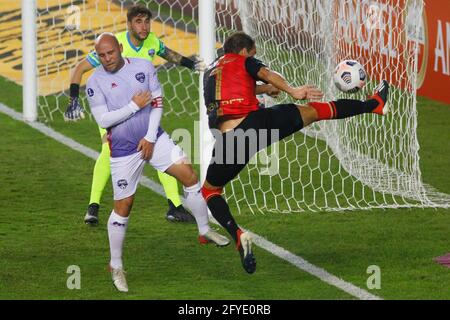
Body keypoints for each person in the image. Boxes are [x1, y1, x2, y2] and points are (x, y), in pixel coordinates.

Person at [201, 31, 390, 274]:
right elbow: (266, 72)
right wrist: (292, 90)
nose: (254, 57)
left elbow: (229, 91)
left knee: (210, 190)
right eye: (253, 53)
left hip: (229, 141)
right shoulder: (243, 60)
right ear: (245, 51)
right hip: (254, 123)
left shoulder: (211, 70)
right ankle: (374, 105)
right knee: (313, 110)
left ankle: (238, 236)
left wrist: (263, 90)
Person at [86, 33, 229, 292]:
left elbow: (158, 102)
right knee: (123, 205)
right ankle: (116, 264)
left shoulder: (142, 67)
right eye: (102, 55)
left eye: (111, 53)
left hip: (155, 138)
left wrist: (151, 137)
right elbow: (103, 121)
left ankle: (204, 229)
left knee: (190, 176)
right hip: (122, 150)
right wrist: (132, 106)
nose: (107, 59)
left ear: (120, 48)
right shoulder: (94, 82)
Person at [64, 4, 204, 225]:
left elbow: (170, 55)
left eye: (147, 21)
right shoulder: (113, 44)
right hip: (114, 111)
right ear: (129, 24)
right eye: (138, 22)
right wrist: (74, 98)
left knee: (158, 148)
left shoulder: (152, 42)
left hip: (142, 109)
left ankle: (174, 206)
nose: (144, 26)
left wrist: (192, 65)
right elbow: (80, 68)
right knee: (107, 150)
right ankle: (93, 206)